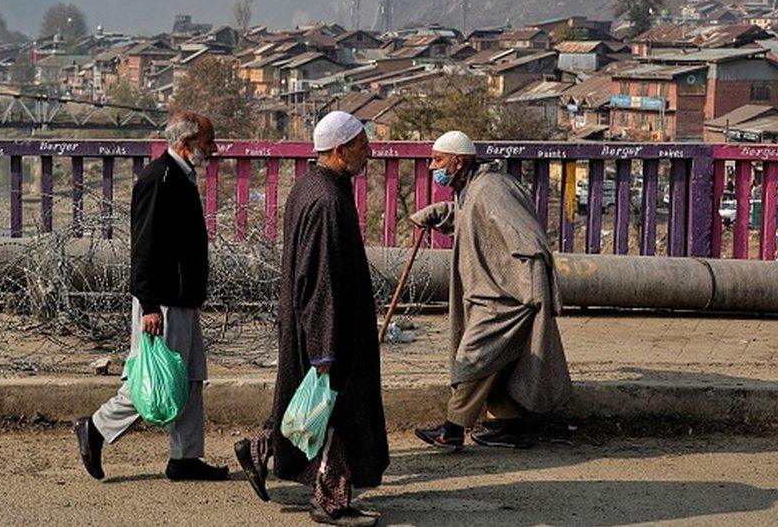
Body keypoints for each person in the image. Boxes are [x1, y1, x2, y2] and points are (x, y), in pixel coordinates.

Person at [234, 111, 389, 526]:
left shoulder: (313, 186)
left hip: (315, 324)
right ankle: (330, 502)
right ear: (339, 151)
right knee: (337, 412)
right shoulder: (326, 201)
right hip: (328, 329)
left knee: (299, 403)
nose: (368, 153)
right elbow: (320, 278)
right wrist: (325, 347)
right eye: (361, 145)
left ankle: (258, 448)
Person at [74, 113, 228, 482]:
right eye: (208, 141)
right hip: (162, 302)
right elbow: (144, 247)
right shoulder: (158, 180)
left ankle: (185, 458)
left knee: (189, 378)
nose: (214, 148)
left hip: (181, 298)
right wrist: (149, 306)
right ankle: (96, 427)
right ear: (187, 142)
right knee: (156, 381)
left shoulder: (179, 177)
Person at [411, 131, 572, 450]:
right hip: (490, 290)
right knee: (499, 362)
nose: (433, 167)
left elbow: (527, 237)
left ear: (458, 161)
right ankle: (510, 428)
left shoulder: (490, 188)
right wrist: (443, 215)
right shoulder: (472, 188)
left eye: (438, 160)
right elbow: (476, 220)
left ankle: (452, 430)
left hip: (506, 295)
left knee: (474, 357)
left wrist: (536, 286)